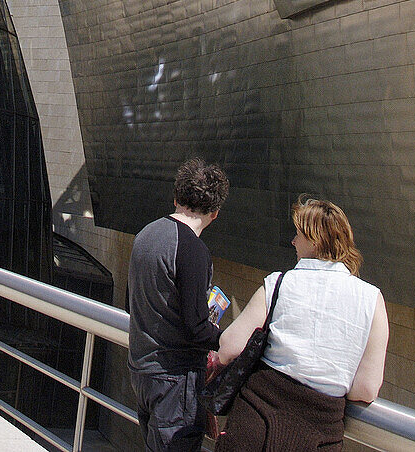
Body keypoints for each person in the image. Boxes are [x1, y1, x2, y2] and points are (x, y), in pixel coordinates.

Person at [213, 197, 389, 451]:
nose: (293, 242)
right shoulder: (372, 300)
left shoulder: (279, 283)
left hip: (255, 421)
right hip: (320, 433)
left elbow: (230, 346)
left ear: (316, 241)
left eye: (298, 235)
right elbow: (366, 389)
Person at [128, 157, 230, 451]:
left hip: (142, 370)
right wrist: (229, 340)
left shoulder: (145, 235)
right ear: (215, 212)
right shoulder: (193, 249)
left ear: (176, 198)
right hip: (176, 379)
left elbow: (130, 303)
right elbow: (197, 329)